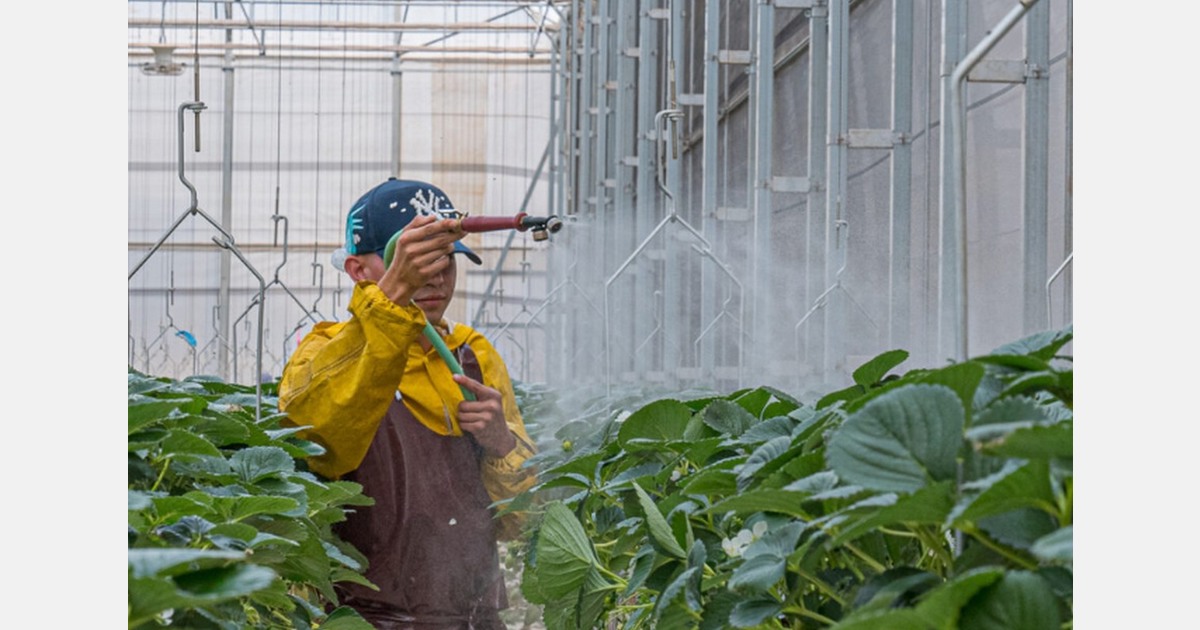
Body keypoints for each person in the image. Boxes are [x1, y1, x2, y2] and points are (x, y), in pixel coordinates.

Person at [278, 177, 538, 629]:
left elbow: (520, 519)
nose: (435, 277)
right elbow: (320, 444)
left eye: (446, 261)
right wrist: (392, 300)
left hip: (476, 620)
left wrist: (501, 443)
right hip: (368, 619)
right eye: (416, 263)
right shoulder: (327, 353)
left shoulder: (473, 356)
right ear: (359, 271)